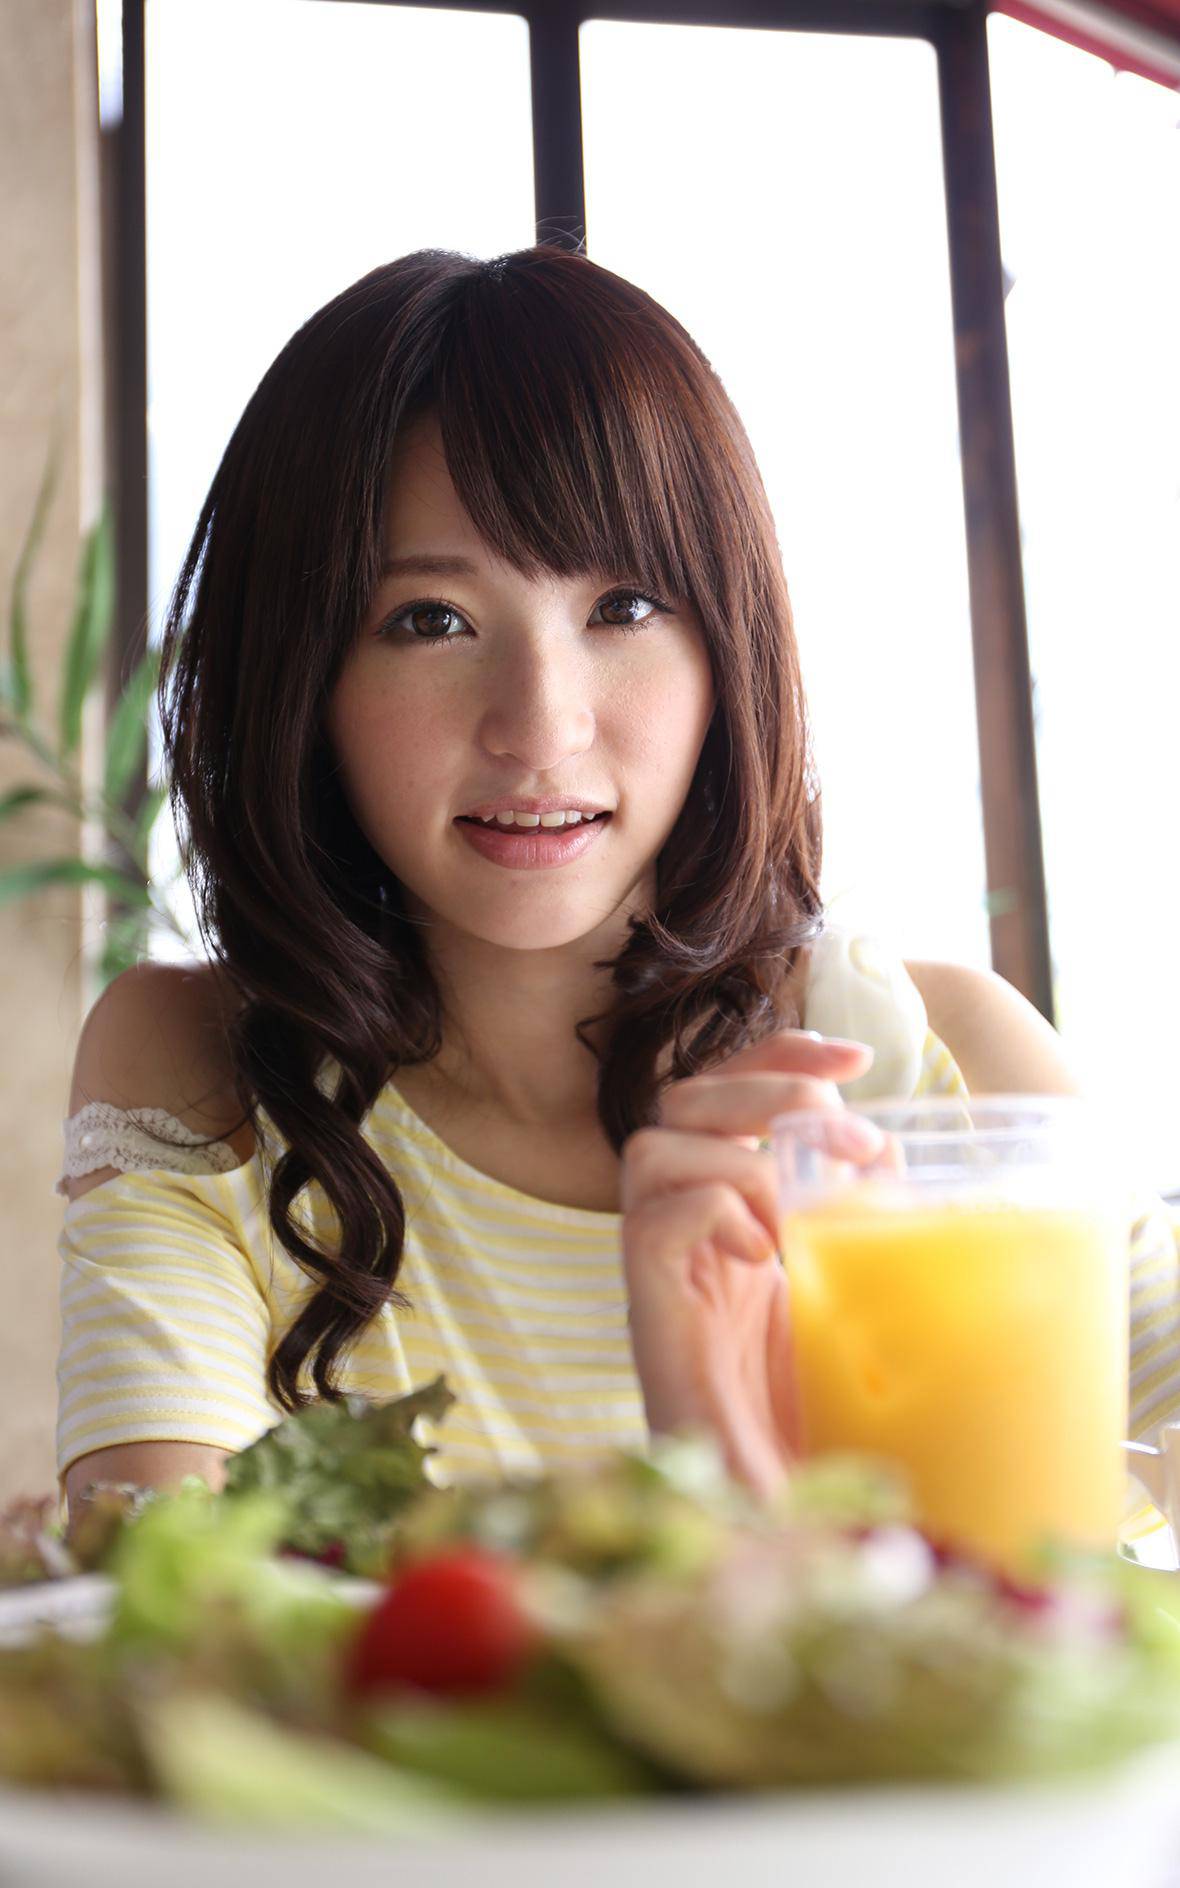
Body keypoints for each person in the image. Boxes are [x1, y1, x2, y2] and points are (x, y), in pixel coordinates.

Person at [55, 246, 1179, 1521]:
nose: (541, 727)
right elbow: (164, 1596)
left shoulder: (937, 1070)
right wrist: (723, 1500)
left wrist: (773, 1470)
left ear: (727, 646)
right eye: (431, 619)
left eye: (625, 606)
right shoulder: (205, 1076)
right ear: (301, 678)